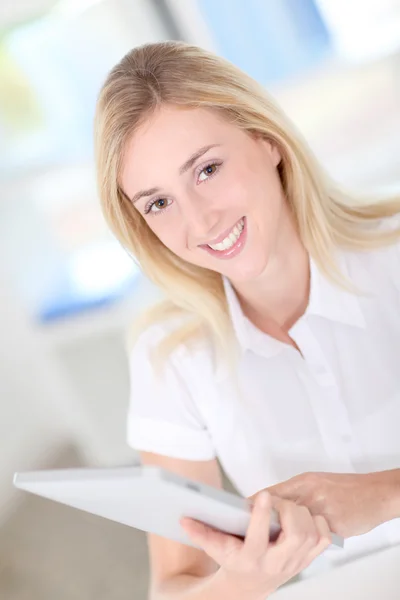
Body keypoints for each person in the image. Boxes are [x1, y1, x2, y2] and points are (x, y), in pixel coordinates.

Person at [94, 41, 400, 599]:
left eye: (207, 169)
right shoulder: (171, 353)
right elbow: (171, 587)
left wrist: (384, 494)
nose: (200, 220)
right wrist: (241, 582)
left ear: (266, 140)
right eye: (158, 203)